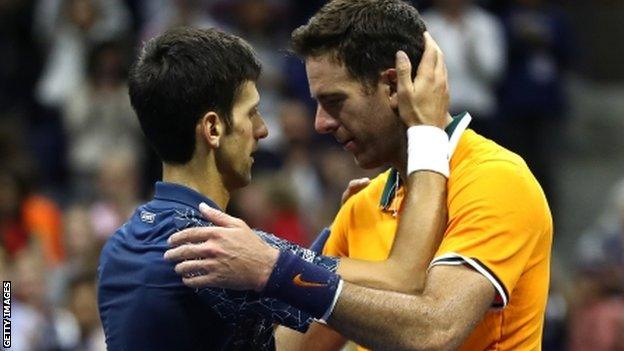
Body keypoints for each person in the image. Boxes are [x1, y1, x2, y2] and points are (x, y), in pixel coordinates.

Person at [164, 1, 553, 350]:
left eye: (335, 101)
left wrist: (273, 267)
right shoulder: (361, 205)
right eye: (316, 104)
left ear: (393, 85)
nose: (320, 123)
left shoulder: (497, 180)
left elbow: (434, 333)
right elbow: (299, 346)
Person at [98, 26, 451, 350]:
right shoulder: (212, 249)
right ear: (213, 129)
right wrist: (427, 132)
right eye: (252, 113)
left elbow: (281, 338)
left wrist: (337, 235)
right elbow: (404, 277)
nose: (262, 129)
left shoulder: (123, 245)